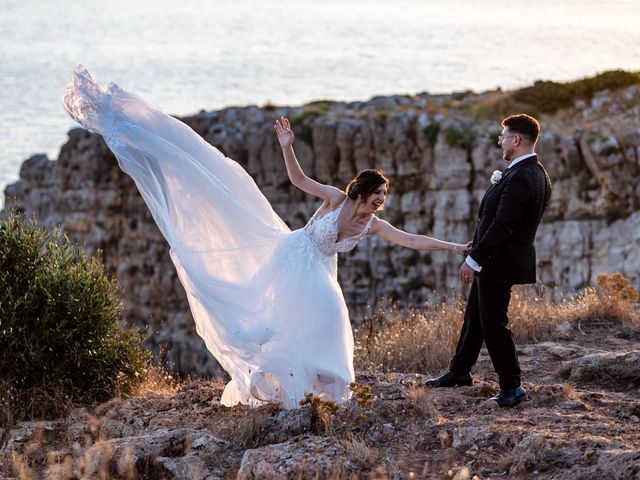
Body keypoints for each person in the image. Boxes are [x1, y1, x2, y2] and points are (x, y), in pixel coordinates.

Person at [62, 65, 470, 409]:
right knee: (284, 316)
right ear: (361, 192)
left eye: (384, 197)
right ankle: (290, 386)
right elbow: (297, 179)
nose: (382, 202)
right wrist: (287, 145)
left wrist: (453, 247)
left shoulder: (373, 225)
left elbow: (413, 240)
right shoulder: (335, 200)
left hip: (320, 272)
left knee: (329, 315)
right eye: (378, 195)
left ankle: (326, 386)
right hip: (293, 255)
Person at [426, 114, 552, 407]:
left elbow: (503, 225)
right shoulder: (534, 171)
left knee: (495, 323)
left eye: (503, 137)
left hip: (500, 262)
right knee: (476, 318)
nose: (500, 142)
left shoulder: (522, 176)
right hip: (495, 259)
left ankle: (512, 386)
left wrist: (475, 259)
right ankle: (459, 371)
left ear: (516, 140)